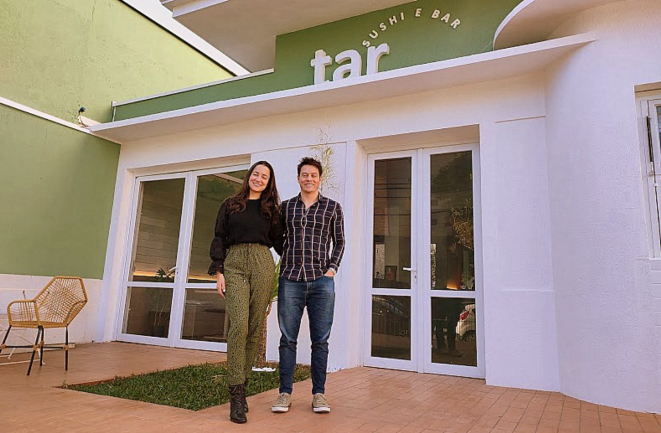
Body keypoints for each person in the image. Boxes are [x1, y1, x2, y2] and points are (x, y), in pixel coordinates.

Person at [208, 161, 283, 424]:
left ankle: (244, 386)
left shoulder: (271, 209)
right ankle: (235, 395)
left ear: (269, 182)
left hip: (263, 263)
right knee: (238, 324)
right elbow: (219, 236)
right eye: (256, 174)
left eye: (264, 176)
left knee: (253, 326)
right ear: (248, 176)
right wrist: (219, 270)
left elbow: (280, 242)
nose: (259, 179)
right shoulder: (230, 204)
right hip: (235, 263)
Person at [271, 157, 345, 414]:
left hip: (321, 282)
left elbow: (340, 241)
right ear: (298, 177)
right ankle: (284, 394)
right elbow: (278, 238)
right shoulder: (286, 208)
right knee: (287, 339)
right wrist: (289, 257)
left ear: (319, 178)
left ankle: (319, 394)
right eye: (304, 175)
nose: (309, 179)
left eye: (313, 175)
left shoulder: (333, 207)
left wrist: (331, 269)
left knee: (320, 341)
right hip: (290, 279)